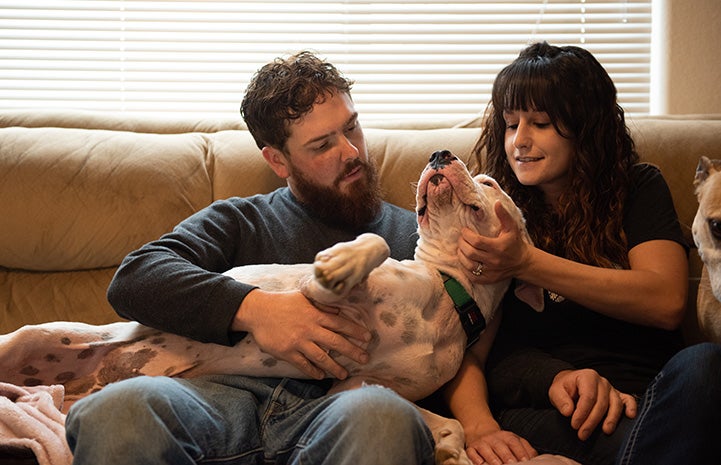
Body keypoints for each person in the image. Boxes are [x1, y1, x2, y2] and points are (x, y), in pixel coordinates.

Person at [64, 51, 435, 465]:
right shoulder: (241, 220)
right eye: (322, 145)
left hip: (337, 410)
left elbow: (458, 335)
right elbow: (135, 278)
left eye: (352, 128)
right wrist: (257, 310)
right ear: (278, 160)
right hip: (215, 402)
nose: (351, 152)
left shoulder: (419, 235)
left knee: (383, 418)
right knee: (119, 410)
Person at [444, 41, 721, 465]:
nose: (519, 140)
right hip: (549, 413)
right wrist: (481, 427)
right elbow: (466, 351)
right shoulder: (491, 211)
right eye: (510, 123)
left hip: (651, 403)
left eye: (540, 123)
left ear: (586, 127)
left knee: (705, 365)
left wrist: (528, 262)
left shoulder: (638, 188)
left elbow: (665, 301)